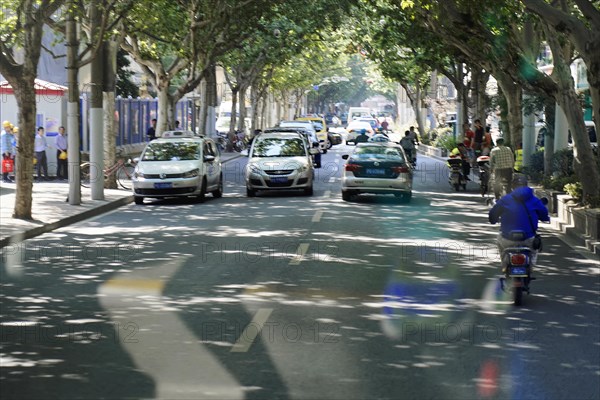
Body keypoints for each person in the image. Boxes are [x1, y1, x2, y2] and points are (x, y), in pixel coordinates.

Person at [489, 174, 550, 270]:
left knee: (500, 242)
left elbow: (493, 215)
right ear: (526, 185)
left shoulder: (505, 200)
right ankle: (530, 268)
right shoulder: (535, 200)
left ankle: (505, 267)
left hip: (507, 239)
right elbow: (544, 215)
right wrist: (545, 218)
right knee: (534, 251)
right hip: (528, 239)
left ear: (513, 187)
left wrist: (493, 220)